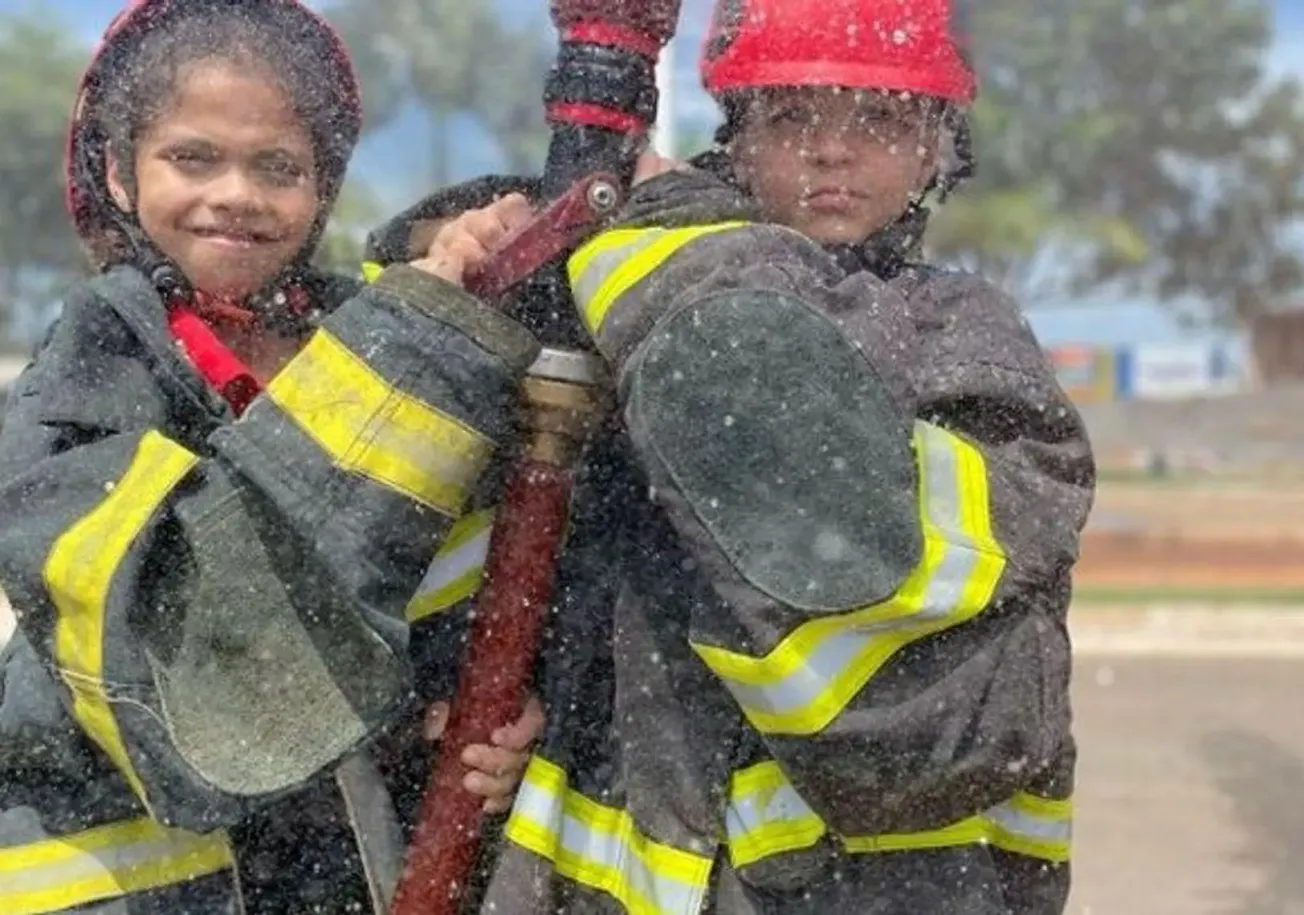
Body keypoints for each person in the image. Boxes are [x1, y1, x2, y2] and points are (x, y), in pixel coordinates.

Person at [362, 0, 1095, 912]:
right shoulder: (641, 294)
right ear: (735, 144)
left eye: (879, 117)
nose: (832, 151)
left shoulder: (964, 342)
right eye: (789, 117)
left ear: (934, 150)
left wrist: (663, 242)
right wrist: (454, 254)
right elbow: (437, 504)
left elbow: (832, 527)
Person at [0, 1, 545, 911]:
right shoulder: (86, 378)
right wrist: (412, 338)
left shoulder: (368, 335)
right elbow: (194, 674)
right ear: (119, 173)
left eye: (279, 167)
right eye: (192, 157)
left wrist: (475, 708)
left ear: (323, 186)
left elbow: (424, 582)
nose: (238, 195)